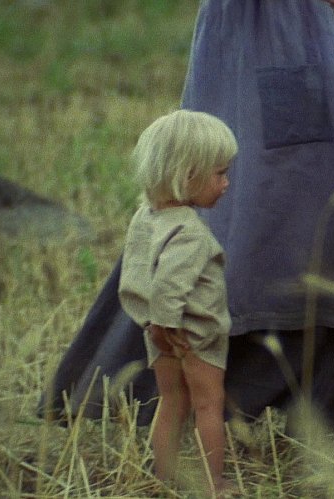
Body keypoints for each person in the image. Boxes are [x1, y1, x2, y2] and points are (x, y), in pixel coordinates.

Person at [182, 0, 334, 432]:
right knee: (277, 205)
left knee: (319, 207)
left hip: (299, 29)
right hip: (276, 31)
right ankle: (225, 395)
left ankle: (317, 404)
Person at [117, 110, 237, 494]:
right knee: (208, 405)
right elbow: (170, 284)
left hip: (157, 331)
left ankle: (163, 475)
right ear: (187, 176)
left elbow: (137, 274)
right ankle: (213, 483)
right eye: (220, 173)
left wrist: (153, 324)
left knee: (170, 401)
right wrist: (167, 324)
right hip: (195, 334)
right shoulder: (189, 231)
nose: (226, 183)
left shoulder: (145, 217)